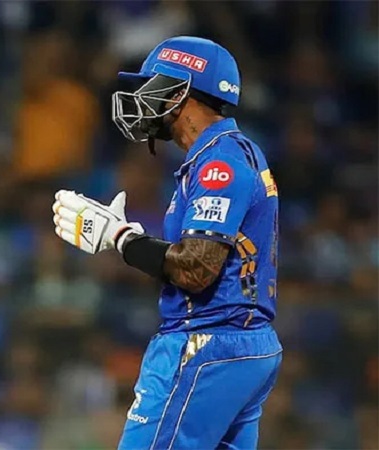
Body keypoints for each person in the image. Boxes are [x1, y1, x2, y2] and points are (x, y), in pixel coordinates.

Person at [52, 36, 282, 449]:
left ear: (181, 93)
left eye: (152, 85)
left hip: (206, 344)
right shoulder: (226, 153)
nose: (142, 98)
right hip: (241, 344)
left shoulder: (219, 163)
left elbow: (197, 269)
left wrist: (120, 238)